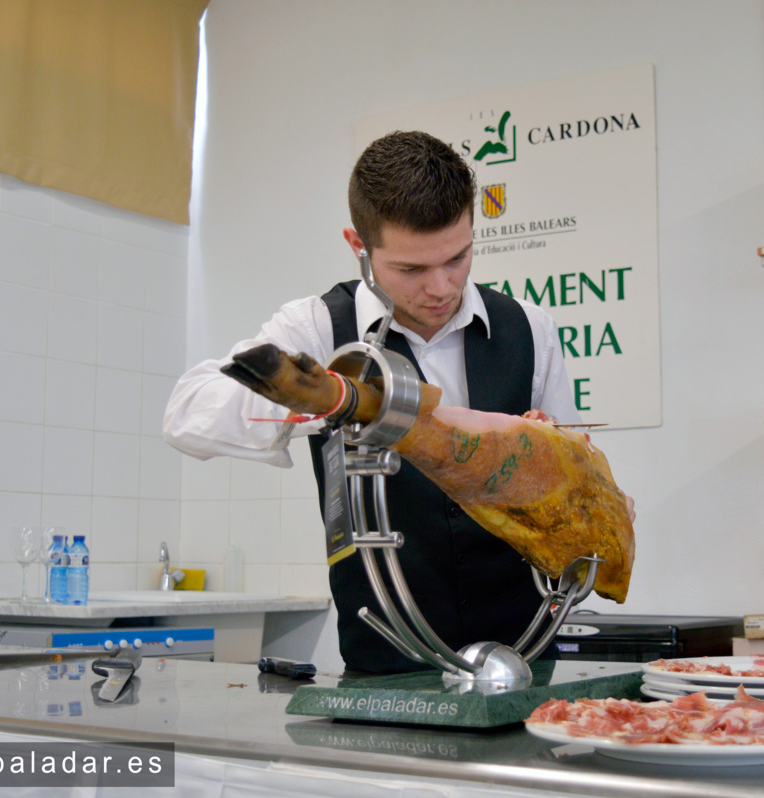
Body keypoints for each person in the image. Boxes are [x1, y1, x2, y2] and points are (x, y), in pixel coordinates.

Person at [164, 130, 589, 673]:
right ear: (357, 244)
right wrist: (326, 396)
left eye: (458, 258)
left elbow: (573, 482)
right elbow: (185, 414)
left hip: (524, 653)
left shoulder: (530, 329)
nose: (441, 288)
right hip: (386, 656)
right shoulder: (318, 328)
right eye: (411, 269)